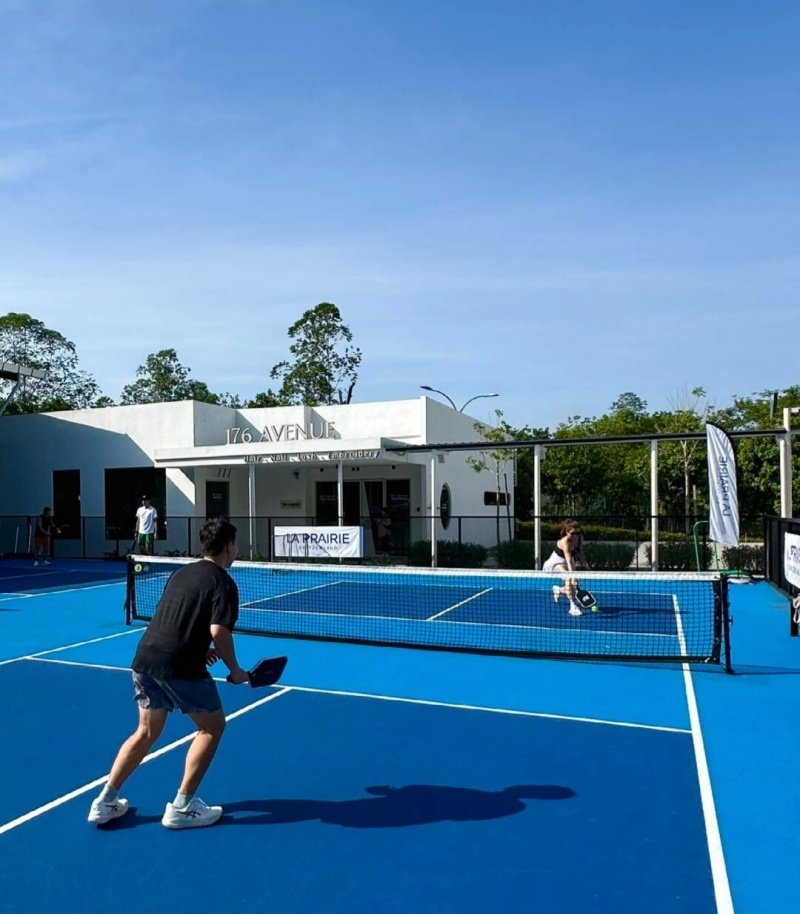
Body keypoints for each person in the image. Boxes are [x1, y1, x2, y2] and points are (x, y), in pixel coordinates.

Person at [87, 518, 250, 829]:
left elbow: (174, 617)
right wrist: (236, 670)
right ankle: (182, 806)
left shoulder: (181, 573)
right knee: (212, 728)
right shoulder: (224, 582)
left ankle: (105, 801)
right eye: (235, 545)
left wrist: (200, 649)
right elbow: (218, 630)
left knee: (146, 732)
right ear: (229, 546)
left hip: (145, 659)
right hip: (180, 667)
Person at [543, 519, 589, 616]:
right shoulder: (565, 542)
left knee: (571, 586)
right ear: (566, 532)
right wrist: (572, 576)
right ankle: (573, 607)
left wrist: (586, 565)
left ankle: (558, 590)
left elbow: (580, 551)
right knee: (569, 579)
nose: (575, 535)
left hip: (568, 563)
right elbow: (568, 560)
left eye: (577, 533)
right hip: (556, 564)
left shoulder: (579, 539)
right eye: (572, 533)